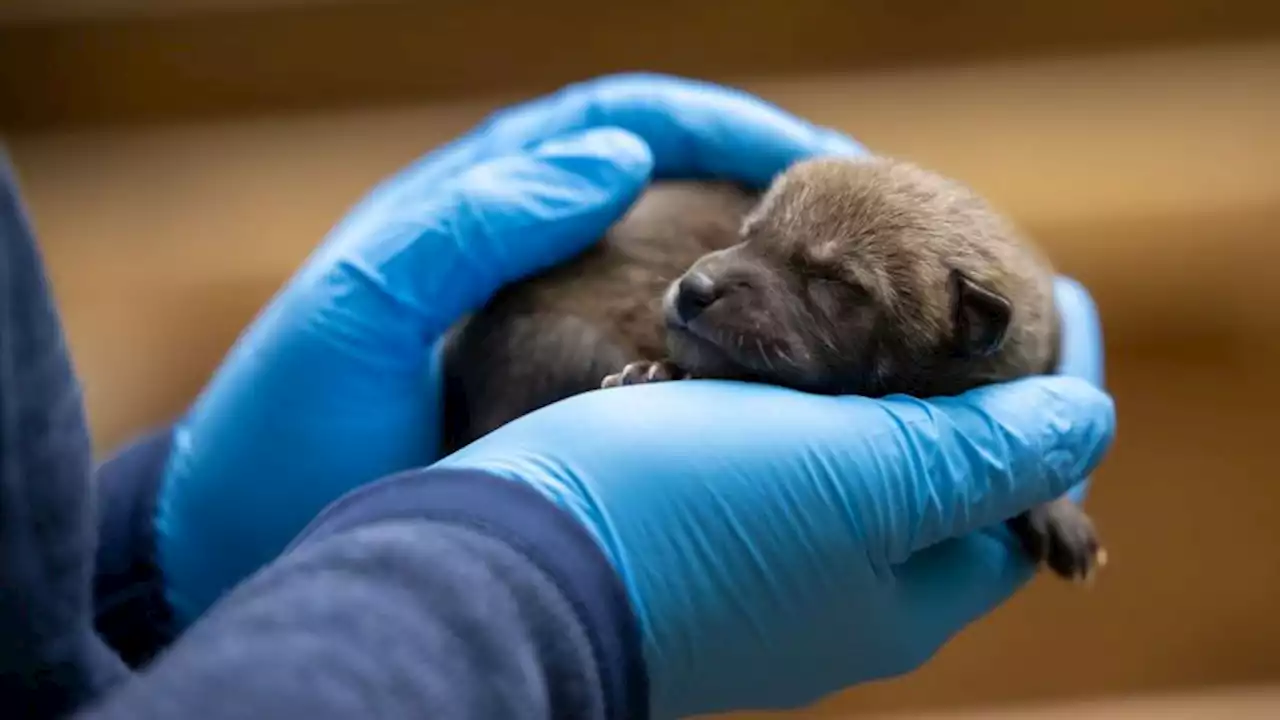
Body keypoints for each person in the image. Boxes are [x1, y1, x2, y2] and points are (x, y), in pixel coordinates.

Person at [0, 74, 1115, 720]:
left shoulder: (988, 339)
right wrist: (534, 574)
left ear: (967, 333)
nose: (711, 282)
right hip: (538, 365)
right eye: (749, 239)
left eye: (828, 292)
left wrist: (135, 578)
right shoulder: (678, 296)